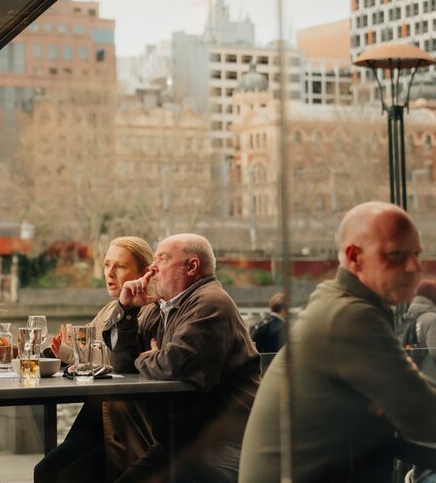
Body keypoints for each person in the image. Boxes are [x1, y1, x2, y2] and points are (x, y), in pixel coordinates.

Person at [239, 202, 436, 483]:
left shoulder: (337, 299)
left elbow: (410, 394)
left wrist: (397, 399)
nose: (414, 267)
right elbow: (422, 414)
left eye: (417, 254)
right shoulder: (350, 316)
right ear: (354, 257)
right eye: (396, 255)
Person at [111, 233, 260, 483]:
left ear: (192, 266)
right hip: (179, 444)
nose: (152, 267)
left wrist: (148, 358)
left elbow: (177, 364)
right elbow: (123, 365)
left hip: (225, 444)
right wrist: (127, 312)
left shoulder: (212, 303)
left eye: (163, 259)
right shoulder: (158, 310)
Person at [35, 236, 155, 483]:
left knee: (65, 476)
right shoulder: (108, 311)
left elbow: (122, 364)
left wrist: (72, 354)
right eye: (106, 264)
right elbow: (90, 356)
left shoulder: (150, 314)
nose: (110, 273)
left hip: (125, 422)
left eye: (120, 266)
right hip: (97, 412)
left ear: (144, 273)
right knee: (45, 471)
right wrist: (63, 351)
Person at [401, 279, 436, 381]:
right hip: (431, 377)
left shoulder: (408, 317)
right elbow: (435, 351)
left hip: (411, 375)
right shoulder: (432, 319)